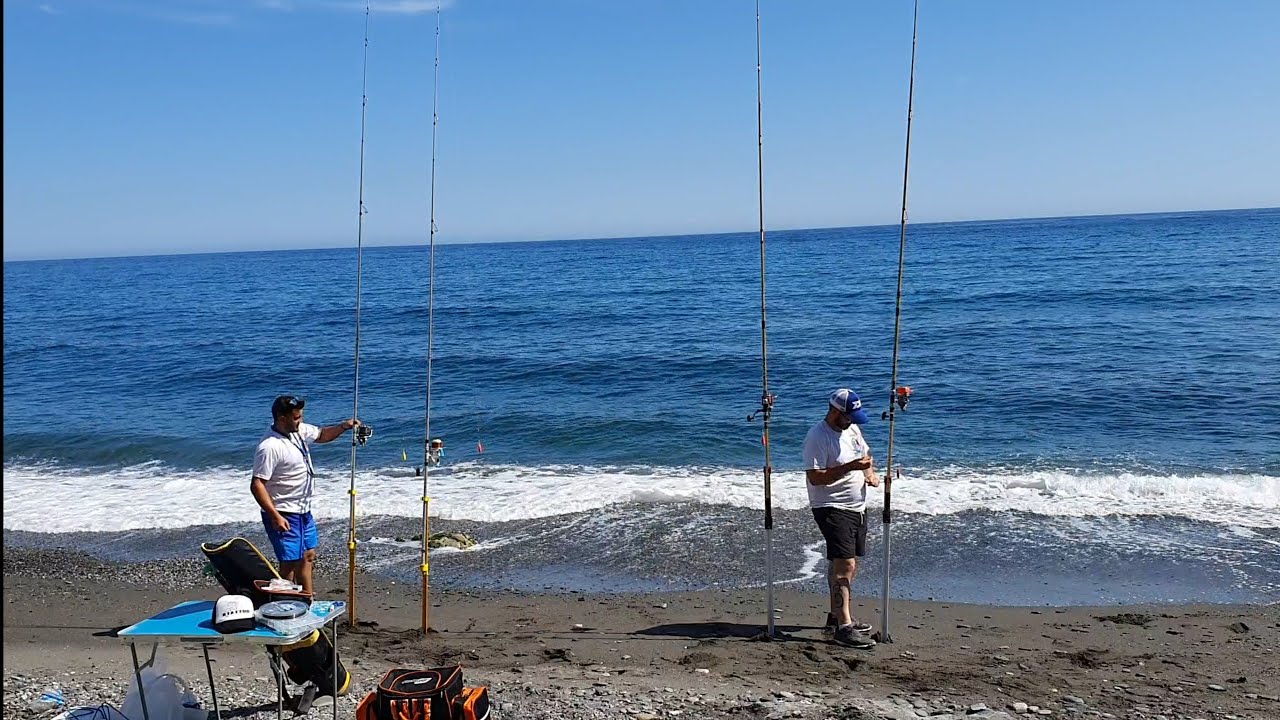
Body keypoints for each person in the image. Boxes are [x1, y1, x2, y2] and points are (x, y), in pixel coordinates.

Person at [250, 394, 360, 596]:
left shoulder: (298, 431)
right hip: (283, 511)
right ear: (282, 418)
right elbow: (257, 485)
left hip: (303, 509)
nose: (300, 420)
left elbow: (322, 435)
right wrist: (275, 516)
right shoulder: (270, 447)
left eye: (301, 416)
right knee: (290, 562)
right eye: (296, 417)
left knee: (308, 555)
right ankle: (284, 601)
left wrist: (344, 426)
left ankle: (307, 598)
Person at [802, 388, 881, 649]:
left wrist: (869, 474)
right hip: (830, 505)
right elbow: (816, 477)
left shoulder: (853, 429)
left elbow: (866, 456)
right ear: (835, 412)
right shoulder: (817, 437)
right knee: (845, 563)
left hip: (857, 506)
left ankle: (836, 615)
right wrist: (850, 467)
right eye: (848, 416)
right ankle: (844, 627)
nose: (851, 421)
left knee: (846, 562)